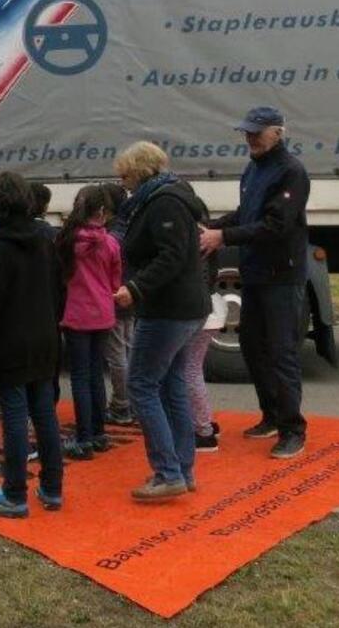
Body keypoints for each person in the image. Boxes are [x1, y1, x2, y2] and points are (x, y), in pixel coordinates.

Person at [199, 107, 310, 459]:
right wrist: (211, 226)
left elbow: (275, 225)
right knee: (253, 347)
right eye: (247, 132)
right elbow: (247, 214)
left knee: (282, 352)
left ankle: (294, 429)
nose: (250, 138)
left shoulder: (291, 172)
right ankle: (272, 416)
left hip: (281, 275)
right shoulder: (254, 168)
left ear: (278, 133)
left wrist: (224, 237)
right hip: (255, 274)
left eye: (257, 132)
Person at [113, 142, 210, 501]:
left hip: (168, 309)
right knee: (170, 386)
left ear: (140, 171)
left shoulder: (162, 203)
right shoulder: (172, 197)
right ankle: (182, 469)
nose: (122, 182)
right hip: (184, 308)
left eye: (124, 175)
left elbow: (171, 256)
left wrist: (135, 288)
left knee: (140, 385)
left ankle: (168, 472)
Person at [0, 172, 65, 518]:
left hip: (9, 342)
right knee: (44, 413)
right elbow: (60, 292)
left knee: (13, 415)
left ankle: (14, 493)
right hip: (44, 339)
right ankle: (53, 487)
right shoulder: (45, 242)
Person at [57, 185, 121, 460]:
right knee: (96, 374)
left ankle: (82, 437)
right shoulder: (111, 243)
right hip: (103, 313)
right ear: (104, 212)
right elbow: (115, 281)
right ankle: (98, 432)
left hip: (75, 314)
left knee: (80, 376)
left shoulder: (66, 241)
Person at [101, 182, 135, 426]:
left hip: (114, 296)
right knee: (130, 348)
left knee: (116, 354)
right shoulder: (131, 226)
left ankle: (121, 404)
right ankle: (132, 400)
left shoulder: (110, 235)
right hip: (132, 293)